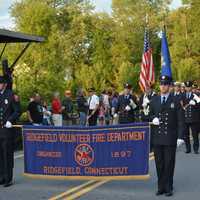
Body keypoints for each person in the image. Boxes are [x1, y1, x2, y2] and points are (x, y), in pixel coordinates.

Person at [149, 75, 183, 196]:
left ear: (169, 86)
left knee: (169, 163)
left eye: (165, 84)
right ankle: (161, 187)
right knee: (159, 163)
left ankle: (169, 187)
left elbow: (180, 120)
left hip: (170, 137)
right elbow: (147, 115)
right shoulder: (154, 100)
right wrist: (153, 119)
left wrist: (180, 137)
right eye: (161, 84)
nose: (163, 86)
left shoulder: (175, 100)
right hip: (157, 137)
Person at [0, 76, 20, 187]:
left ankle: (8, 179)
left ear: (5, 84)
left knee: (7, 154)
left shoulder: (11, 95)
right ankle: (1, 177)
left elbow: (17, 111)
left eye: (0, 83)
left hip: (7, 130)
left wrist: (10, 120)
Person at [182, 81, 200, 154]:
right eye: (186, 87)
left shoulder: (195, 95)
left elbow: (199, 107)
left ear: (191, 87)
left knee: (194, 135)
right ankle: (188, 148)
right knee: (186, 135)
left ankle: (196, 149)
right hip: (185, 118)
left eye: (189, 87)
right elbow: (180, 106)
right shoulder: (182, 95)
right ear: (185, 88)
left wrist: (196, 103)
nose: (188, 88)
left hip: (193, 118)